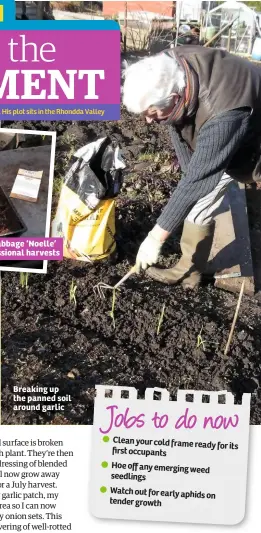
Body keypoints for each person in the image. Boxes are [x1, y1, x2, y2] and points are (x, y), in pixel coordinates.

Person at [122, 46, 261, 288]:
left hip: (252, 135)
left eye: (152, 112)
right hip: (235, 108)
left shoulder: (223, 113)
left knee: (200, 200)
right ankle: (191, 269)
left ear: (175, 98)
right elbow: (175, 121)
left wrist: (155, 237)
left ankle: (188, 270)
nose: (148, 120)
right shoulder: (169, 66)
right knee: (196, 194)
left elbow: (199, 179)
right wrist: (189, 173)